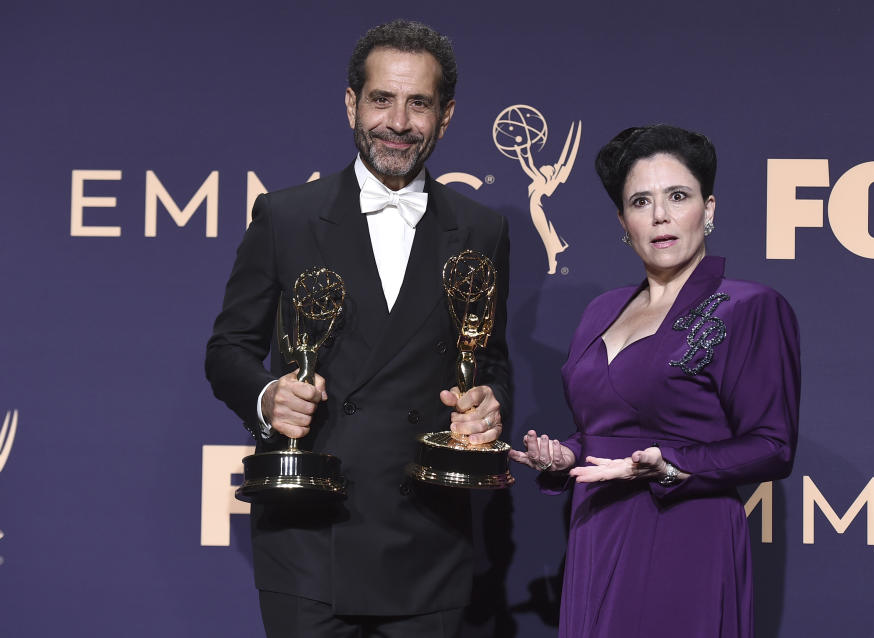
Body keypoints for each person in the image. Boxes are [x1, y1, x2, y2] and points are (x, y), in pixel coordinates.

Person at [205, 20, 511, 638]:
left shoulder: (482, 230)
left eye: (418, 103)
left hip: (429, 542)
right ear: (351, 103)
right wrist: (269, 397)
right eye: (381, 99)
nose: (397, 122)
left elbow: (491, 360)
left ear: (445, 116)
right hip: (311, 541)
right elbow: (228, 350)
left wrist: (488, 405)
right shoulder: (286, 217)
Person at [509, 124, 799, 637]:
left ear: (708, 209)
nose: (660, 215)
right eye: (640, 201)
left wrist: (671, 466)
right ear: (623, 221)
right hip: (597, 528)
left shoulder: (749, 306)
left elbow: (773, 446)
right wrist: (568, 455)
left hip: (685, 532)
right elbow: (609, 423)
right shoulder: (601, 309)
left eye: (678, 196)